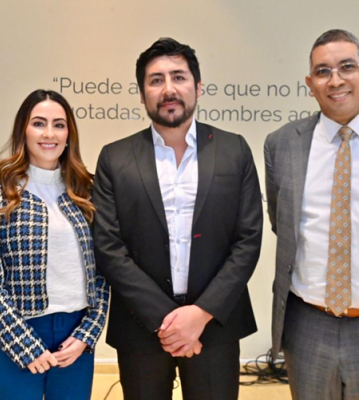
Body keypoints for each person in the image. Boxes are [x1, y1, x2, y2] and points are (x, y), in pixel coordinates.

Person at [93, 38, 263, 400]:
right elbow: (108, 247)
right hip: (140, 325)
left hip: (215, 324)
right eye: (155, 80)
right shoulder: (115, 158)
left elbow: (247, 241)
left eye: (179, 77)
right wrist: (167, 322)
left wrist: (199, 314)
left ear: (198, 87)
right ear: (142, 94)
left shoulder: (234, 150)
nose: (168, 89)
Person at [0, 89, 109, 400]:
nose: (49, 134)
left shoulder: (87, 191)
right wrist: (24, 344)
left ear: (69, 134)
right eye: (39, 123)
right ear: (23, 130)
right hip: (15, 332)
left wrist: (87, 334)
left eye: (59, 125)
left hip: (74, 338)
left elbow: (104, 271)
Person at [265, 29, 359, 400]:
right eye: (323, 71)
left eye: (347, 67)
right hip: (308, 323)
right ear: (310, 83)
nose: (335, 80)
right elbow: (281, 223)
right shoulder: (282, 144)